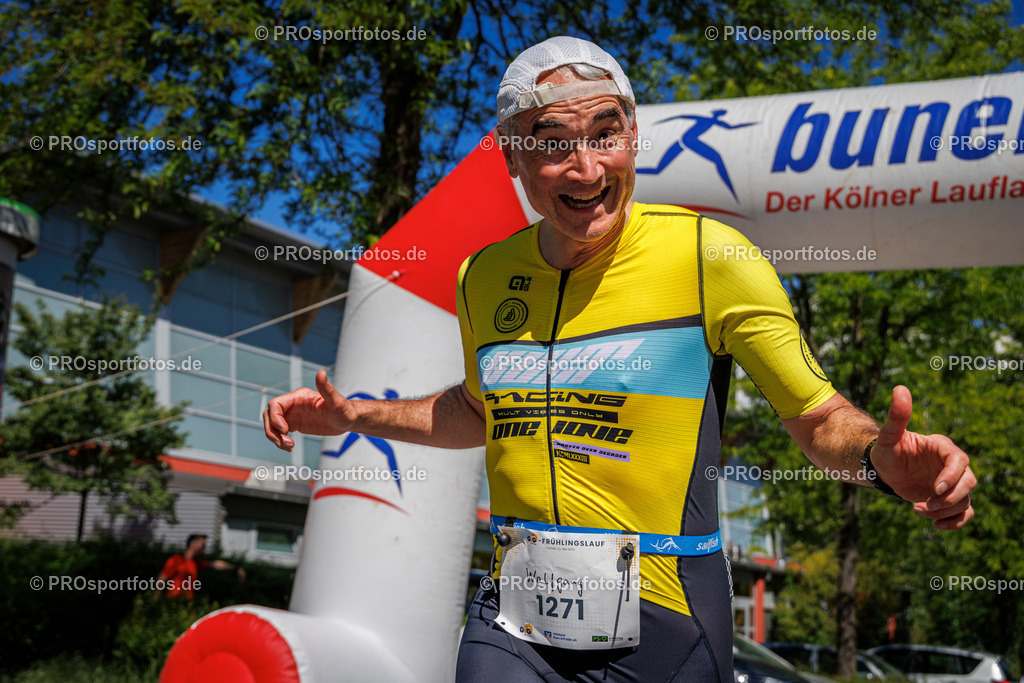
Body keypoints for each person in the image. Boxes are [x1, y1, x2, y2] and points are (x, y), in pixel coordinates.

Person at [262, 36, 976, 682]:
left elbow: (817, 418)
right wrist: (357, 413)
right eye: (554, 142)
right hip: (517, 615)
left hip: (667, 620)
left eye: (606, 134)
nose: (586, 167)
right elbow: (480, 409)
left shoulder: (710, 256)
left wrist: (880, 464)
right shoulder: (481, 274)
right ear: (510, 154)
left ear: (633, 134)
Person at [158, 534, 246, 599]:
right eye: (202, 546)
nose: (204, 549)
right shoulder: (176, 560)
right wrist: (155, 600)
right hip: (173, 601)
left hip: (187, 603)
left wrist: (235, 567)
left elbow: (215, 564)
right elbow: (161, 580)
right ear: (193, 544)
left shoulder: (196, 562)